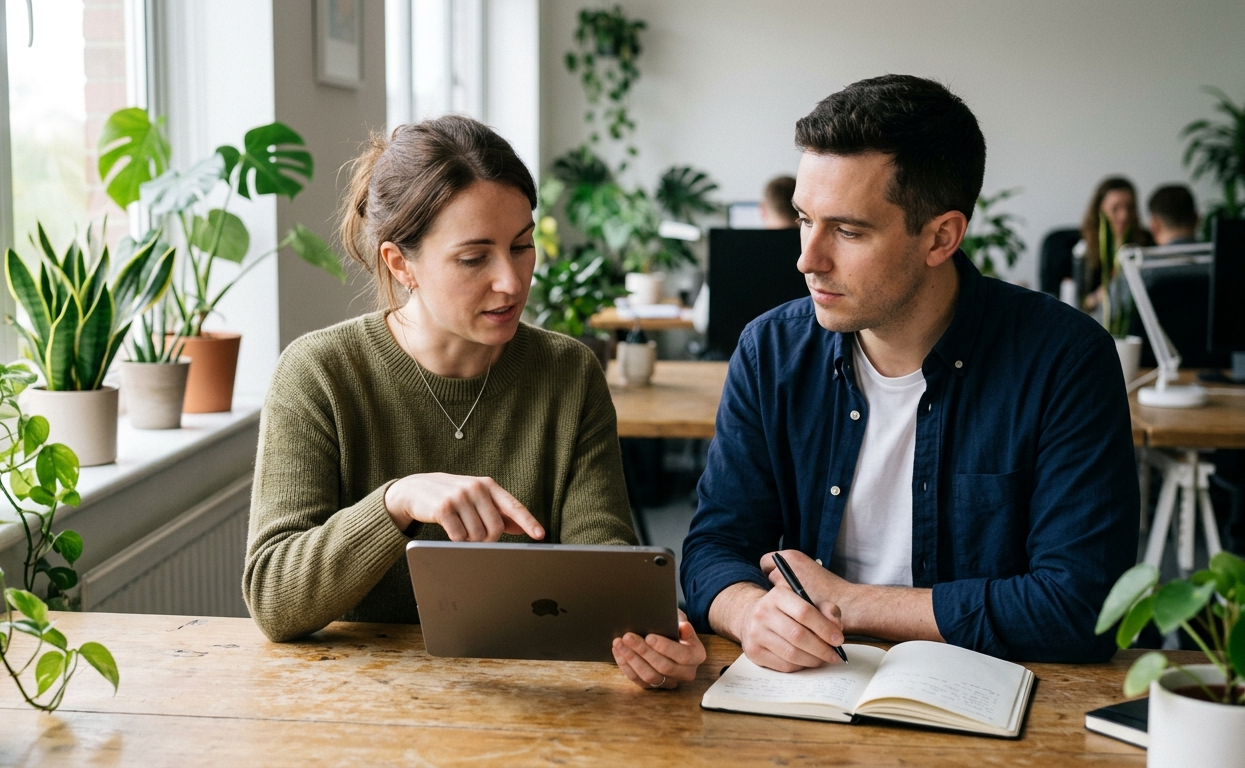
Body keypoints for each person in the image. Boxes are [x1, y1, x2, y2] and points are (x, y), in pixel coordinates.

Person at [680, 75, 1138, 672]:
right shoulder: (771, 349)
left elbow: (1084, 606)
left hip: (985, 706)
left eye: (847, 231)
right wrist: (748, 613)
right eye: (803, 219)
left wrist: (851, 603)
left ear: (941, 237)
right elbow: (714, 546)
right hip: (802, 698)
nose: (806, 259)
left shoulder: (1064, 361)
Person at [242, 115, 704, 690]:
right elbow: (273, 597)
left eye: (522, 246)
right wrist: (396, 502)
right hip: (356, 704)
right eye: (473, 258)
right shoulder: (319, 372)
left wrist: (646, 636)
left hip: (531, 700)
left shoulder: (567, 372)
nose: (511, 281)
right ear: (399, 263)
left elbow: (602, 556)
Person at [1077, 177, 1153, 308]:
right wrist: (1099, 296)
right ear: (1100, 209)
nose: (1124, 215)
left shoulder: (1148, 241)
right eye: (1115, 208)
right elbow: (1079, 302)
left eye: (1130, 207)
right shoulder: (1082, 248)